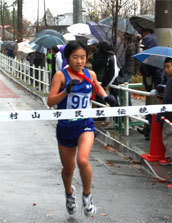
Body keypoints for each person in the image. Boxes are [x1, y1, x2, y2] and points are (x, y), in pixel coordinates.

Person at [47, 41, 117, 217]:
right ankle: (69, 194)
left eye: (83, 57)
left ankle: (87, 196)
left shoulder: (89, 73)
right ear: (68, 57)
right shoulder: (60, 76)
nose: (79, 61)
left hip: (85, 124)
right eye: (75, 57)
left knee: (83, 161)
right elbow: (50, 102)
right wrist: (65, 92)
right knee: (68, 168)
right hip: (65, 126)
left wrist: (106, 97)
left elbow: (97, 85)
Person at [137, 29, 163, 140]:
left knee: (153, 109)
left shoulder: (152, 57)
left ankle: (150, 130)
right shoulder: (158, 54)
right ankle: (148, 129)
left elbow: (146, 71)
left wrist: (143, 65)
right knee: (152, 109)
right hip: (156, 85)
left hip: (156, 87)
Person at [123, 33, 136, 106]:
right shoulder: (133, 45)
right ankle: (128, 104)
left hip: (127, 69)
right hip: (130, 68)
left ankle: (128, 104)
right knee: (126, 87)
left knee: (125, 87)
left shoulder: (128, 46)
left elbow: (124, 57)